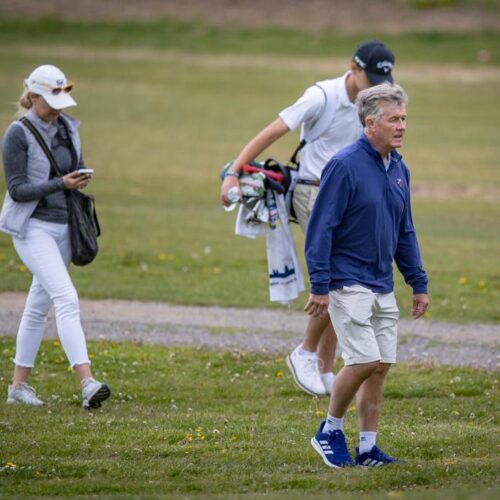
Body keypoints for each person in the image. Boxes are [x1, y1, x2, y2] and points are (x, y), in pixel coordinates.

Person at [220, 40, 396, 397]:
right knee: (339, 278)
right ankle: (304, 353)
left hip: (351, 194)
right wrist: (232, 173)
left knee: (348, 279)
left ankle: (325, 369)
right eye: (372, 77)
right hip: (313, 191)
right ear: (353, 67)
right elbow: (273, 131)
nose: (377, 86)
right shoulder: (322, 96)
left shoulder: (376, 101)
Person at [306, 82, 429, 467]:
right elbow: (320, 228)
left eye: (404, 118)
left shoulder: (399, 168)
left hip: (381, 283)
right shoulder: (344, 165)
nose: (402, 126)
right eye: (394, 119)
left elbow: (404, 230)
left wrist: (418, 282)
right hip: (347, 281)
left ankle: (367, 447)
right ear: (370, 123)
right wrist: (320, 284)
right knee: (362, 360)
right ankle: (328, 430)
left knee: (380, 365)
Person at [0, 64, 110, 409]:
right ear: (32, 97)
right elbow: (17, 190)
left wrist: (77, 178)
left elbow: (73, 165)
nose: (57, 108)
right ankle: (87, 381)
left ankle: (18, 387)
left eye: (60, 100)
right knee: (66, 297)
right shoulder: (17, 134)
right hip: (32, 228)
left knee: (38, 305)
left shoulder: (67, 127)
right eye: (49, 101)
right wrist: (60, 184)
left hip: (65, 226)